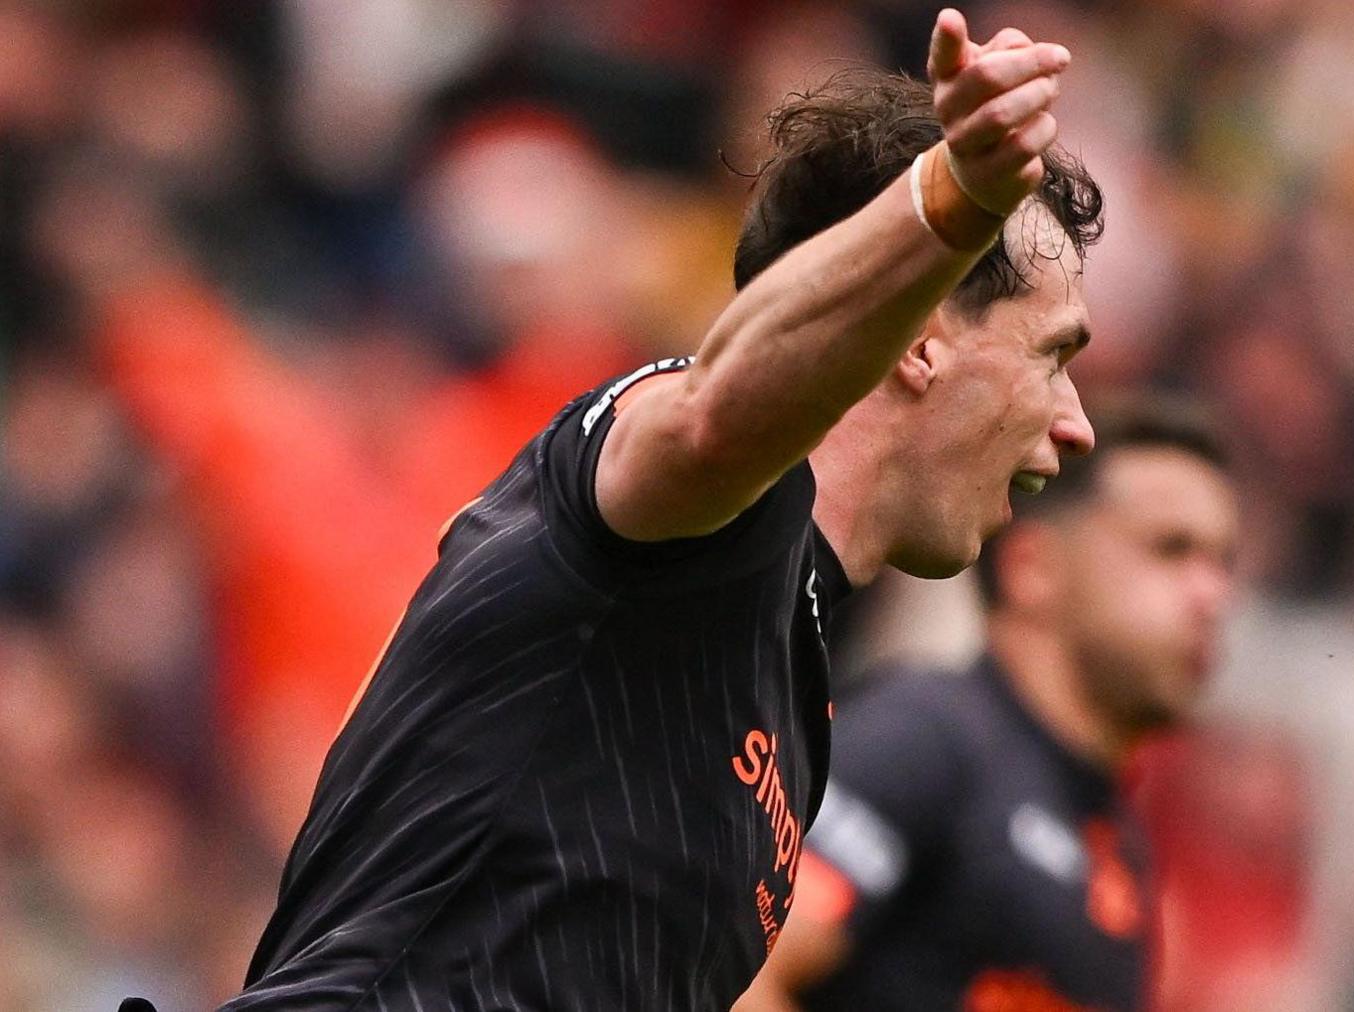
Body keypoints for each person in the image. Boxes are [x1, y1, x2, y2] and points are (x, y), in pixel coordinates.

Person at [171, 8, 1104, 1012]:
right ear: (920, 341)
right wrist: (946, 201)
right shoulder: (684, 461)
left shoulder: (792, 674)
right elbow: (716, 418)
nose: (1077, 424)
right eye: (1053, 356)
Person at [736, 401, 1240, 1011]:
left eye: (1223, 563)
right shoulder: (924, 740)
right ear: (1034, 567)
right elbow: (740, 975)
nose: (1211, 596)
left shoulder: (1121, 854)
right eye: (1170, 549)